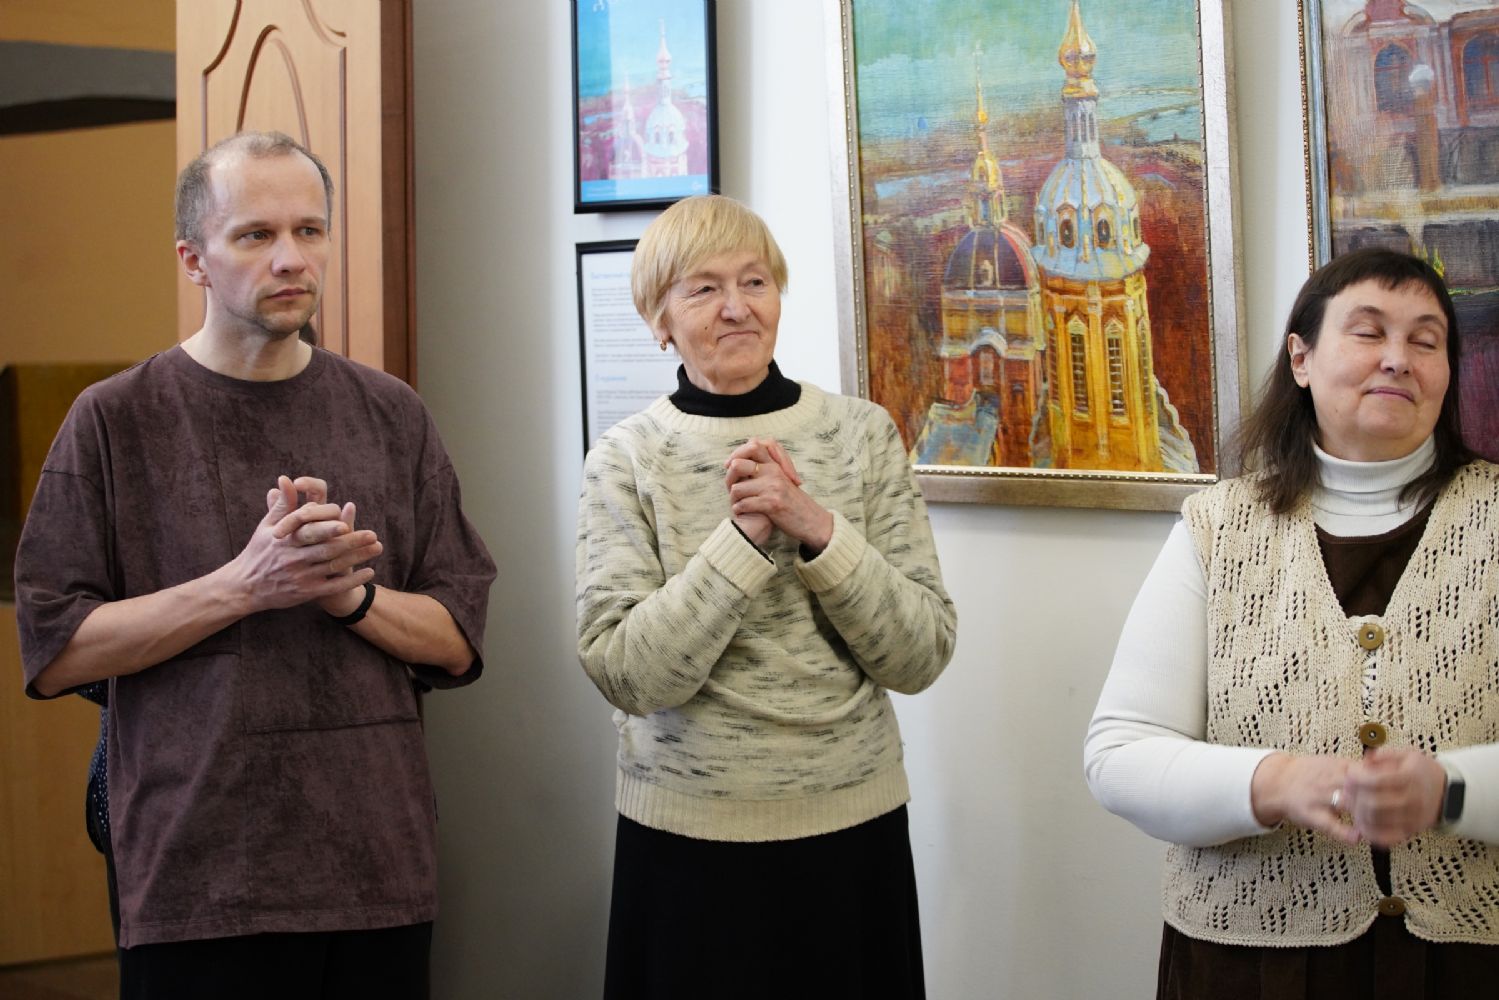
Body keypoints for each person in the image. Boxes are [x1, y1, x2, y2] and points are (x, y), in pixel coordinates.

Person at [15, 130, 496, 999]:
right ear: (193, 260)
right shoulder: (114, 420)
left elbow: (458, 640)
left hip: (376, 870)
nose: (290, 258)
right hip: (195, 879)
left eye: (309, 231)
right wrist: (244, 586)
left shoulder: (391, 414)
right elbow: (55, 651)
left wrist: (351, 598)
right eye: (255, 235)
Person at [1084, 248, 1499, 998]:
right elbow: (1120, 755)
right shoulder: (1217, 528)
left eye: (1425, 340)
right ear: (1300, 359)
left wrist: (1452, 791)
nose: (1398, 359)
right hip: (1248, 963)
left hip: (1467, 958)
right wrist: (1275, 782)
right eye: (1368, 332)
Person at [575, 194, 956, 999]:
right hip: (686, 843)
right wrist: (741, 544)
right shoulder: (626, 457)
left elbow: (920, 654)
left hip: (851, 832)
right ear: (658, 319)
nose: (737, 307)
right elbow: (626, 673)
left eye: (755, 281)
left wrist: (815, 527)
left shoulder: (861, 433)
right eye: (703, 288)